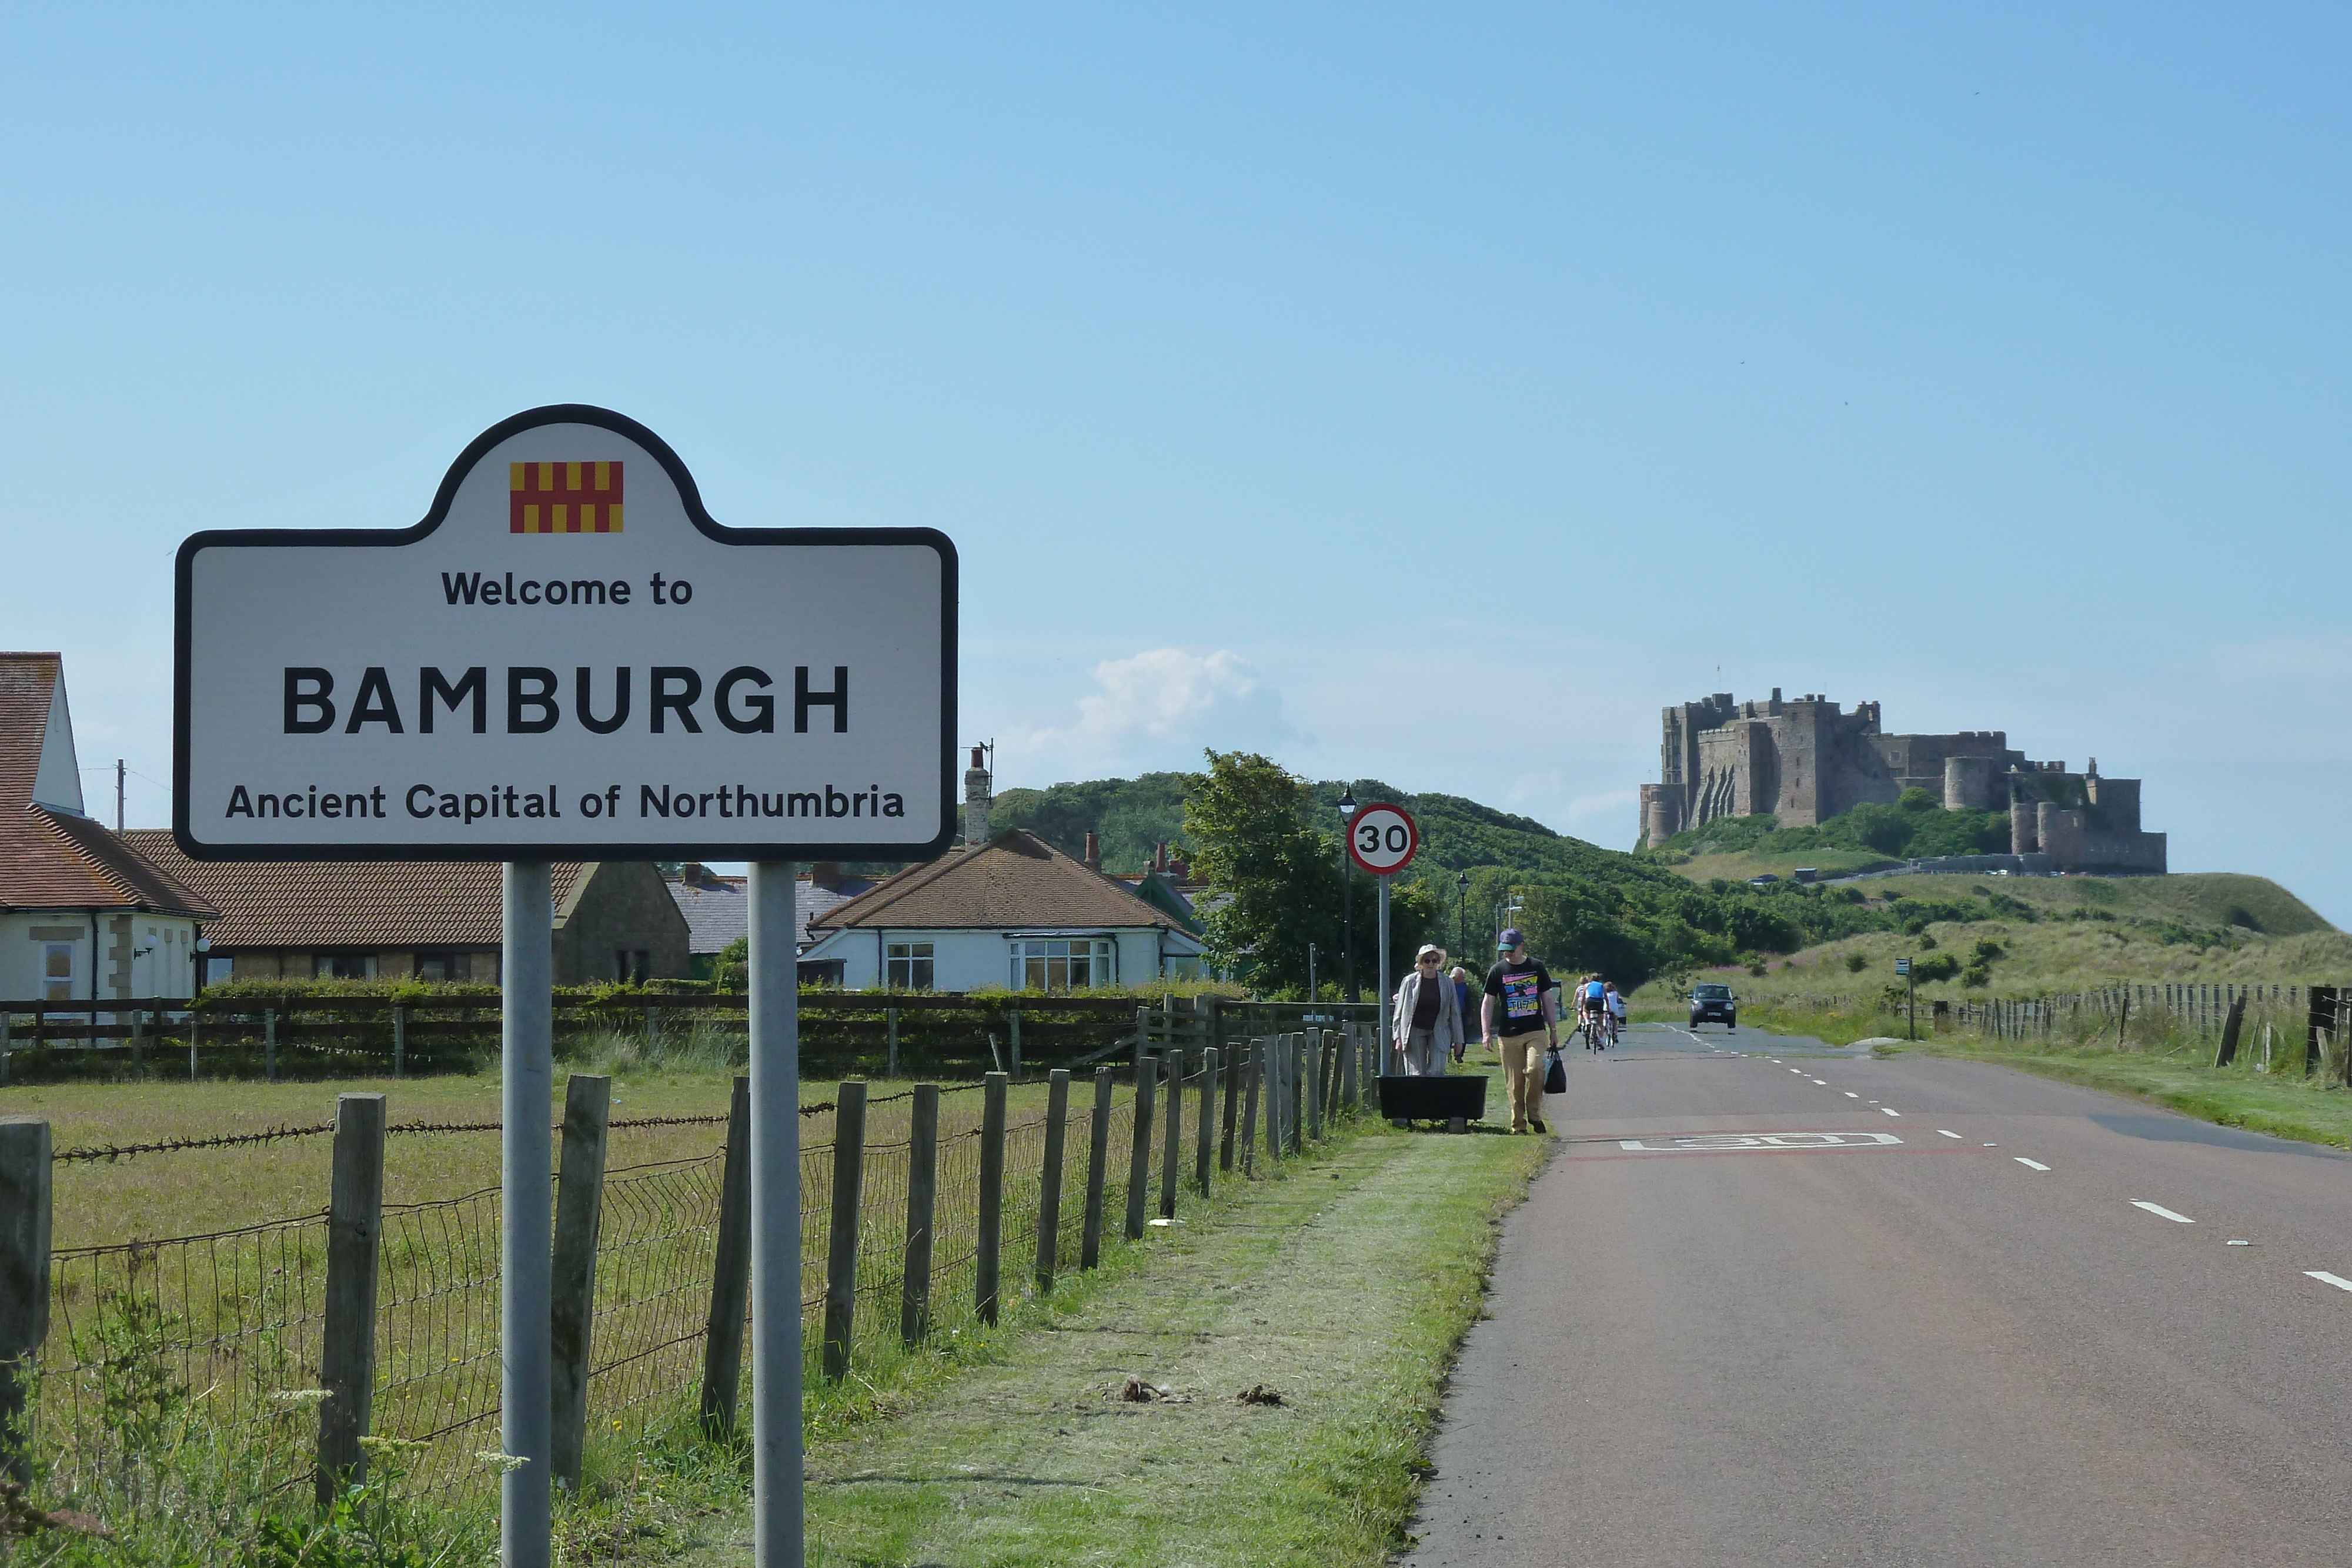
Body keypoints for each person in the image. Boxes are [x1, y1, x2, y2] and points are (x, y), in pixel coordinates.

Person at [1482, 928, 1559, 1134]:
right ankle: (1519, 1124)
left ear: (1522, 945)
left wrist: (1553, 1029)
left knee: (1535, 1070)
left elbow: (1547, 998)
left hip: (1535, 1030)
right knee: (1514, 1083)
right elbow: (1488, 1002)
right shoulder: (1497, 971)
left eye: (1512, 949)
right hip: (1508, 1035)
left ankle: (1534, 1114)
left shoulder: (1536, 967)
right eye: (1505, 950)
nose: (1508, 953)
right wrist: (1486, 1032)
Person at [1393, 944, 1463, 1075]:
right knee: (1417, 1074)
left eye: (1434, 960)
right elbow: (1400, 1011)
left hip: (1439, 1030)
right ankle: (1418, 1096)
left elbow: (1455, 1012)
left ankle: (1434, 1096)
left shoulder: (1447, 983)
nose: (1431, 964)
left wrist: (1459, 1040)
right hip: (1414, 1030)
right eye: (1427, 960)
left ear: (1438, 963)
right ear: (1421, 963)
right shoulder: (1409, 982)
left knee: (1437, 1070)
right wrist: (1398, 1038)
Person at [1448, 965, 1475, 1063]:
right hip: (1448, 1014)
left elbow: (1468, 1002)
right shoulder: (1447, 984)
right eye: (1462, 977)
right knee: (1447, 1035)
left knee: (1463, 1036)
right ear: (1455, 977)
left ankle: (1459, 1056)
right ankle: (1447, 1056)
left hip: (1462, 1014)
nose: (1463, 979)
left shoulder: (1464, 987)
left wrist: (1470, 1016)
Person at [1606, 980, 1628, 1045]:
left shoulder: (1604, 994)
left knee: (1605, 1019)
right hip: (1615, 1008)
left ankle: (1607, 1029)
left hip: (1607, 1008)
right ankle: (1615, 1034)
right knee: (1615, 1022)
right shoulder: (1615, 993)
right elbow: (1618, 999)